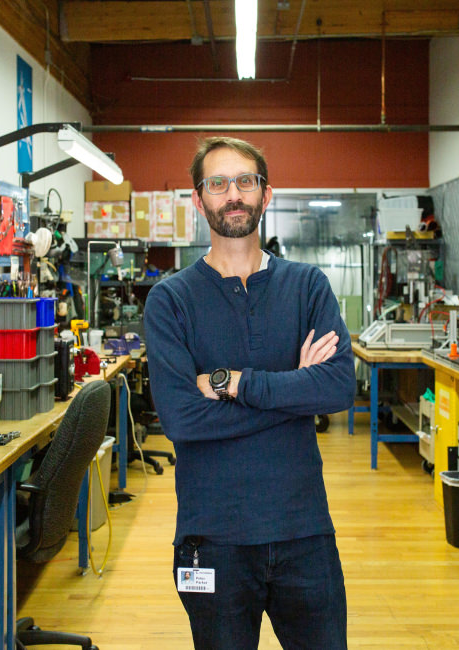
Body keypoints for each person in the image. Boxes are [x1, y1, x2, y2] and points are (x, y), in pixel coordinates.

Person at [144, 136, 356, 649]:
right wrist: (293, 394)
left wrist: (233, 384)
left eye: (244, 181)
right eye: (217, 183)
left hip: (303, 531)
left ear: (266, 192)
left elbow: (338, 386)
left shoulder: (308, 287)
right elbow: (181, 420)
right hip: (212, 539)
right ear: (199, 199)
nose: (232, 194)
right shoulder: (170, 300)